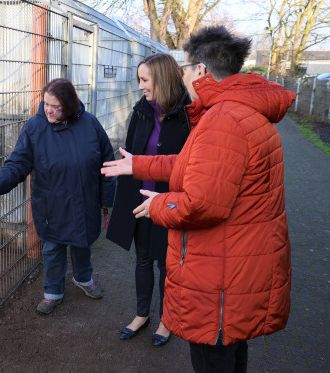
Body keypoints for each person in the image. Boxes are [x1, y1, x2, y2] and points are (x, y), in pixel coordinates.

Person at [101, 26, 295, 372]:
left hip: (221, 274)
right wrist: (139, 164)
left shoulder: (223, 119)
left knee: (213, 358)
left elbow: (203, 204)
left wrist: (157, 205)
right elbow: (201, 165)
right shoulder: (239, 111)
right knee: (231, 353)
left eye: (185, 69)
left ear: (201, 71)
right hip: (238, 264)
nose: (184, 77)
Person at [0, 78, 116, 315]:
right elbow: (18, 163)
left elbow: (107, 162)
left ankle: (83, 278)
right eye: (46, 104)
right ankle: (53, 292)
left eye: (56, 106)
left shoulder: (90, 124)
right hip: (52, 204)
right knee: (52, 248)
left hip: (84, 200)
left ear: (70, 106)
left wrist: (106, 198)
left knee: (83, 244)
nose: (49, 110)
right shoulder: (34, 128)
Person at [106, 53, 190, 345]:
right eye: (139, 79)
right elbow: (131, 156)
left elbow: (190, 165)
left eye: (144, 79)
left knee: (167, 265)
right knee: (142, 260)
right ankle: (142, 315)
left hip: (170, 203)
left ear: (162, 78)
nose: (140, 86)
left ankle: (166, 321)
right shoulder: (141, 112)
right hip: (142, 202)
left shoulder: (188, 116)